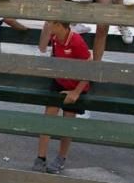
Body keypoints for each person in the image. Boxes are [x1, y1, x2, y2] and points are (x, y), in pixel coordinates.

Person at [33, 20, 91, 174]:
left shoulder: (76, 41)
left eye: (50, 24)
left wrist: (76, 92)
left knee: (67, 121)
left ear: (59, 25)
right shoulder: (55, 38)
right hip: (59, 82)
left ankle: (61, 158)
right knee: (48, 118)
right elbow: (49, 54)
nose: (47, 26)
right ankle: (41, 157)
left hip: (75, 86)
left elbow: (90, 68)